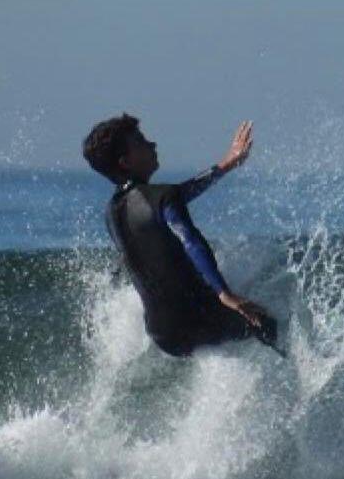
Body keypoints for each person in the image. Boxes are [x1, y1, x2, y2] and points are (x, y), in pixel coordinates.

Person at [82, 113, 282, 357]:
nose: (152, 144)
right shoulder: (163, 197)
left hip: (162, 333)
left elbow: (177, 195)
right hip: (196, 317)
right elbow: (191, 241)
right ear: (126, 161)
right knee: (268, 324)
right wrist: (224, 293)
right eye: (141, 142)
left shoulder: (112, 214)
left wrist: (226, 164)